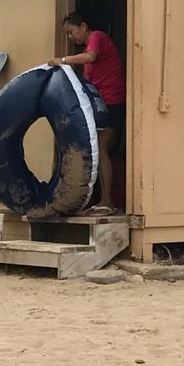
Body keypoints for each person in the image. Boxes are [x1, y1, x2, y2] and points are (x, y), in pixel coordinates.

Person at [48, 11, 126, 215]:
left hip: (112, 102)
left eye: (71, 32)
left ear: (83, 26)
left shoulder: (97, 37)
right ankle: (95, 199)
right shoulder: (89, 48)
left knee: (101, 148)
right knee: (93, 150)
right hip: (99, 103)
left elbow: (91, 56)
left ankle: (107, 201)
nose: (71, 38)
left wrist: (62, 60)